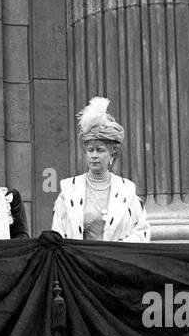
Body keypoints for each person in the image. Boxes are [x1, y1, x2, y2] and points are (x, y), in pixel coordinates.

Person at [51, 97, 150, 242]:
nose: (94, 156)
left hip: (114, 261)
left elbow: (141, 231)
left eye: (100, 150)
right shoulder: (69, 190)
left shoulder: (126, 190)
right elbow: (58, 233)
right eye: (90, 150)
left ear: (112, 153)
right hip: (77, 261)